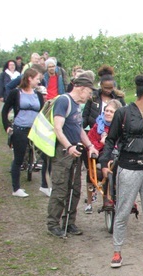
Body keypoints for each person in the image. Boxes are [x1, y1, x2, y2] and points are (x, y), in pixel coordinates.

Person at [99, 75, 143, 267]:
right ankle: (117, 251)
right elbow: (111, 140)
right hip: (128, 167)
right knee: (122, 211)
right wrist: (104, 162)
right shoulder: (123, 113)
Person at [46, 71, 99, 237]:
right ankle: (53, 224)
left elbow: (79, 129)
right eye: (89, 92)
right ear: (82, 89)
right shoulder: (63, 101)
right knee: (61, 189)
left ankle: (69, 222)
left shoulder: (76, 105)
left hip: (76, 153)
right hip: (63, 154)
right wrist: (69, 147)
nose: (90, 96)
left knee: (75, 189)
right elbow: (57, 128)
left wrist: (90, 145)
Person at [82, 65, 126, 211]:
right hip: (96, 136)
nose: (108, 91)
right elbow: (85, 117)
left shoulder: (118, 100)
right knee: (93, 170)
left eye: (110, 88)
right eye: (105, 88)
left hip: (113, 145)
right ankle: (90, 201)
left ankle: (115, 197)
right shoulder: (93, 98)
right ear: (100, 86)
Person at [1, 68, 44, 198]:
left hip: (35, 129)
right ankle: (16, 188)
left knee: (46, 156)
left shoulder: (38, 94)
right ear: (29, 78)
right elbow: (5, 110)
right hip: (20, 129)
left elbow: (42, 112)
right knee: (18, 158)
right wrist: (7, 126)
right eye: (37, 79)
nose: (39, 81)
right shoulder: (16, 93)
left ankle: (45, 185)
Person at [85, 99, 123, 213]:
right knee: (98, 167)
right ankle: (90, 202)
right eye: (106, 110)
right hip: (101, 154)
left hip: (117, 154)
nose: (107, 113)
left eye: (111, 112)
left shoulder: (122, 127)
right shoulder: (98, 126)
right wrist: (100, 144)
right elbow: (90, 141)